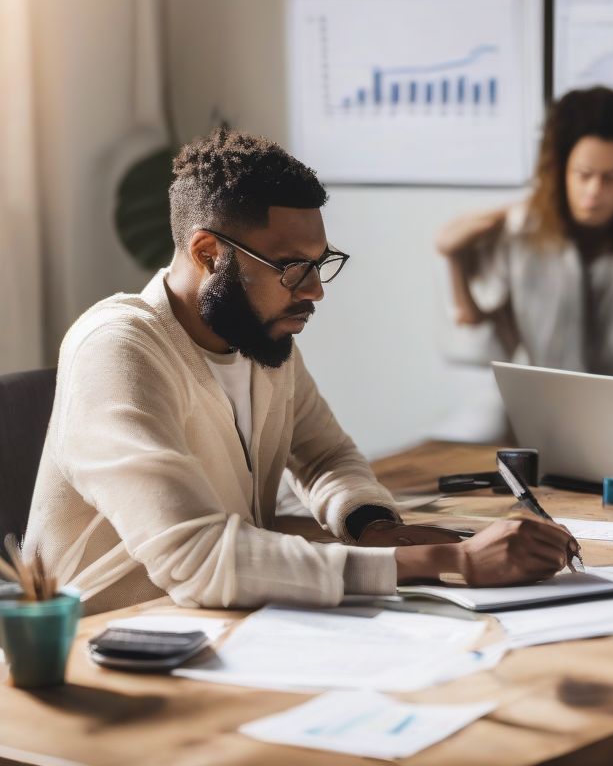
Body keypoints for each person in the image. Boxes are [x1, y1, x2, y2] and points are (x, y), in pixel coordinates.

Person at [25, 128, 571, 614]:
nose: (314, 290)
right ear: (210, 253)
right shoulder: (118, 350)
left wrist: (373, 527)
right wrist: (452, 560)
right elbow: (197, 557)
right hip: (106, 645)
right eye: (292, 268)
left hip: (231, 625)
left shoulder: (257, 336)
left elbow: (326, 455)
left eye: (319, 263)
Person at [436, 86, 613, 420]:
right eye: (583, 175)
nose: (594, 191)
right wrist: (454, 260)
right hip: (527, 414)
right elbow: (477, 350)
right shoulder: (521, 234)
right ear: (559, 171)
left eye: (612, 178)